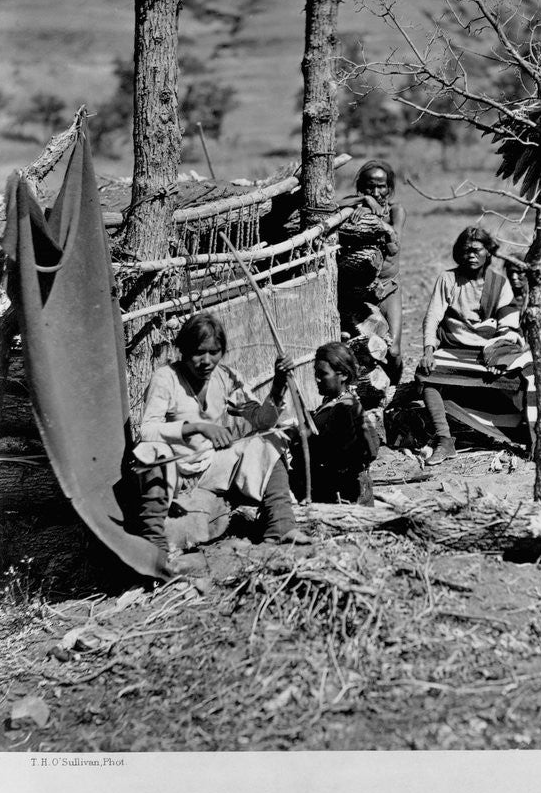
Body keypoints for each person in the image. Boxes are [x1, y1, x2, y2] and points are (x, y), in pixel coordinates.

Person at [134, 312, 311, 564]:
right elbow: (147, 430)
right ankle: (158, 546)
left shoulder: (225, 376)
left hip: (210, 466)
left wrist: (279, 385)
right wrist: (197, 427)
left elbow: (262, 420)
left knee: (269, 440)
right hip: (175, 475)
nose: (206, 361)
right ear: (183, 350)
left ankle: (281, 526)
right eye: (198, 353)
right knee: (152, 454)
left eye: (214, 352)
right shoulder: (166, 378)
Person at [416, 226, 525, 465]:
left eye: (477, 250)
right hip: (454, 348)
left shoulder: (499, 284)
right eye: (466, 251)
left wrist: (500, 356)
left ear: (489, 252)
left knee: (523, 376)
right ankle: (445, 439)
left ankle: (519, 433)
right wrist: (428, 350)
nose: (471, 256)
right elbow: (433, 316)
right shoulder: (448, 279)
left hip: (489, 351)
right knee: (426, 374)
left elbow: (508, 325)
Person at [338, 160, 407, 384]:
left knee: (393, 350)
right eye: (370, 187)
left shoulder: (396, 211)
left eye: (381, 186)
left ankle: (395, 389)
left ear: (389, 188)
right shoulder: (355, 208)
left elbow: (394, 246)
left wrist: (381, 224)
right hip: (359, 293)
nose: (376, 192)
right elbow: (331, 206)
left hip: (388, 289)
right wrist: (364, 202)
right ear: (361, 187)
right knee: (362, 347)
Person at [289, 342, 380, 504]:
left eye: (323, 374)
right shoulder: (334, 401)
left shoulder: (345, 409)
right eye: (316, 373)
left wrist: (303, 435)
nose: (317, 379)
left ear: (343, 375)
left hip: (344, 497)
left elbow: (344, 453)